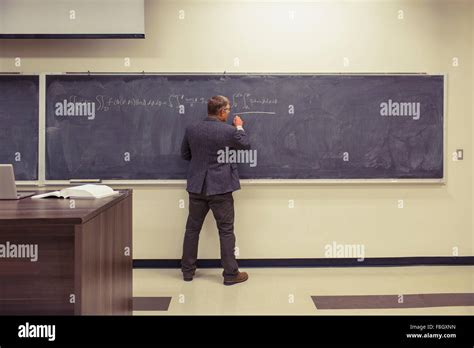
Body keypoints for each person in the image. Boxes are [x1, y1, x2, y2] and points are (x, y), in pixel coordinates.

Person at [180, 95, 250, 286]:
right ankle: (230, 275)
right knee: (226, 231)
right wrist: (239, 126)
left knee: (192, 229)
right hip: (221, 187)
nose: (229, 113)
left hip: (197, 187)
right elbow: (245, 144)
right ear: (221, 111)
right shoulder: (229, 131)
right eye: (228, 110)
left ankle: (187, 272)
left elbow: (185, 154)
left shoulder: (192, 129)